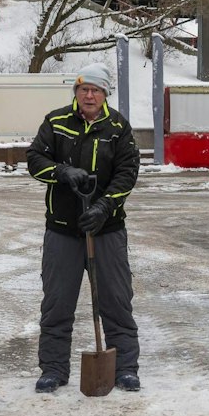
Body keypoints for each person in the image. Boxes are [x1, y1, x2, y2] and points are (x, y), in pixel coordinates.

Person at [26, 62, 140, 393]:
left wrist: (105, 206)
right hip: (63, 229)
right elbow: (35, 159)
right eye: (83, 89)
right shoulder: (57, 121)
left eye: (96, 90)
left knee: (116, 301)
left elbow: (127, 172)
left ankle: (125, 368)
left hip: (107, 230)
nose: (89, 95)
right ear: (76, 92)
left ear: (105, 94)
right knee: (57, 302)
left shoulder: (118, 127)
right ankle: (53, 368)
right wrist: (63, 172)